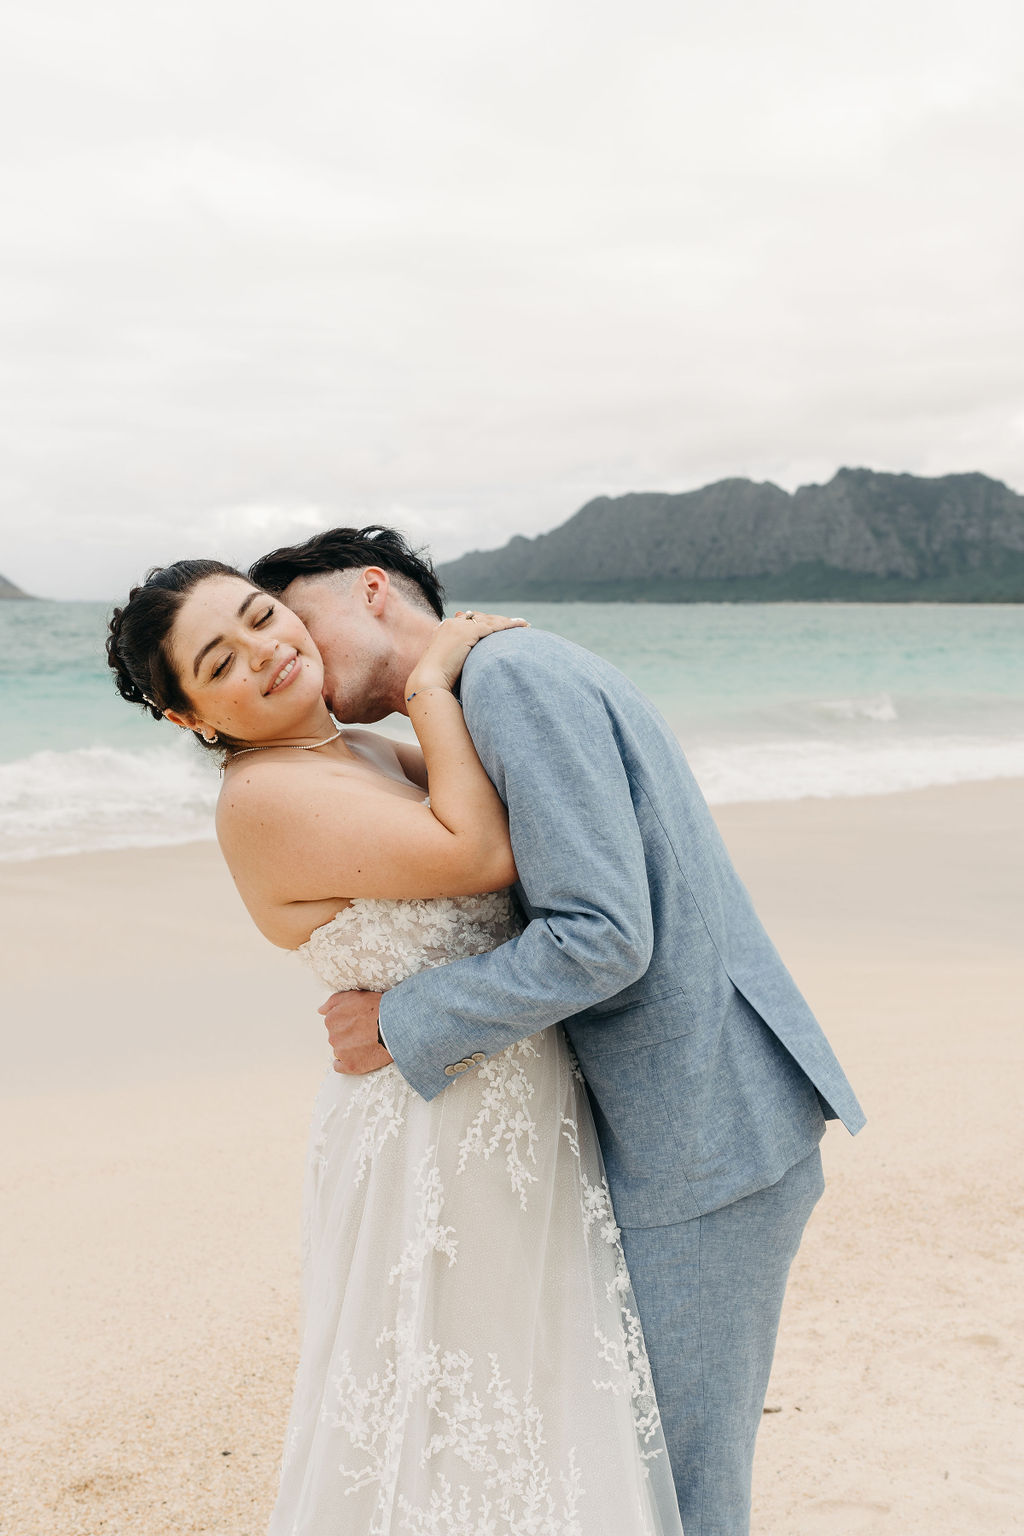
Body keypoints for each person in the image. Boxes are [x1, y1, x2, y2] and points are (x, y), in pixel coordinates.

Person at [247, 526, 867, 1536]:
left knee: (680, 1491)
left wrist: (405, 1018)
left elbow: (602, 938)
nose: (300, 665)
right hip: (688, 1119)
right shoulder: (478, 689)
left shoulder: (510, 681)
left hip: (699, 1135)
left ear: (370, 590)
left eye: (298, 624)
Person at [105, 559, 686, 1536]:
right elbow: (480, 854)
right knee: (444, 1401)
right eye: (221, 659)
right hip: (432, 1136)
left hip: (509, 1107)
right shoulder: (263, 797)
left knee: (536, 1381)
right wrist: (429, 682)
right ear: (189, 717)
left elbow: (512, 813)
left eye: (261, 616)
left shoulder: (365, 753)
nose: (266, 650)